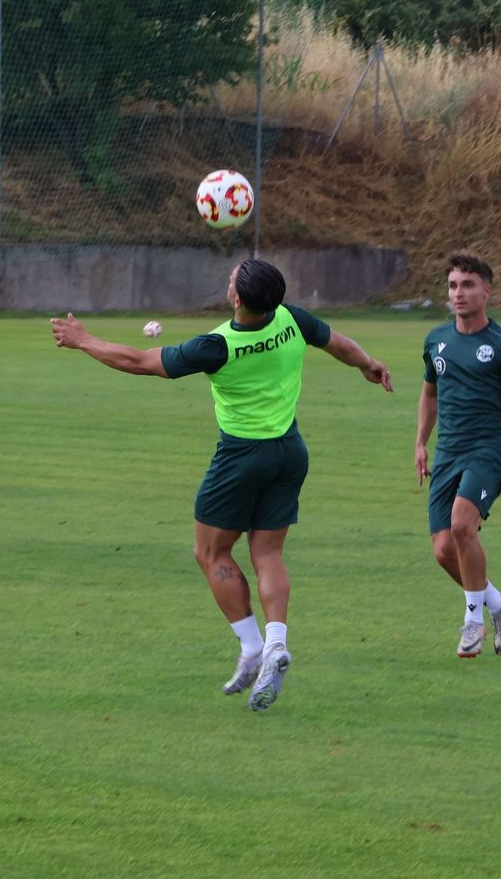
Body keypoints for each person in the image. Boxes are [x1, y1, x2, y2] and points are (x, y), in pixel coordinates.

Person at [50, 259, 392, 711]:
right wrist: (369, 364)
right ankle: (275, 643)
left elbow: (138, 361)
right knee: (267, 552)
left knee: (210, 551)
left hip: (240, 457)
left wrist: (83, 340)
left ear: (236, 298)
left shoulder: (217, 346)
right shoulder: (293, 319)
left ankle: (252, 646)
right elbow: (340, 345)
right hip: (289, 452)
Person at [415, 252, 501, 658]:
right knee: (444, 550)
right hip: (448, 451)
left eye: (467, 285)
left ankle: (472, 623)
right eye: (452, 286)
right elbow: (430, 394)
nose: (458, 293)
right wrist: (420, 443)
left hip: (487, 449)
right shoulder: (436, 340)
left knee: (463, 525)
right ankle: (499, 603)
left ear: (486, 291)